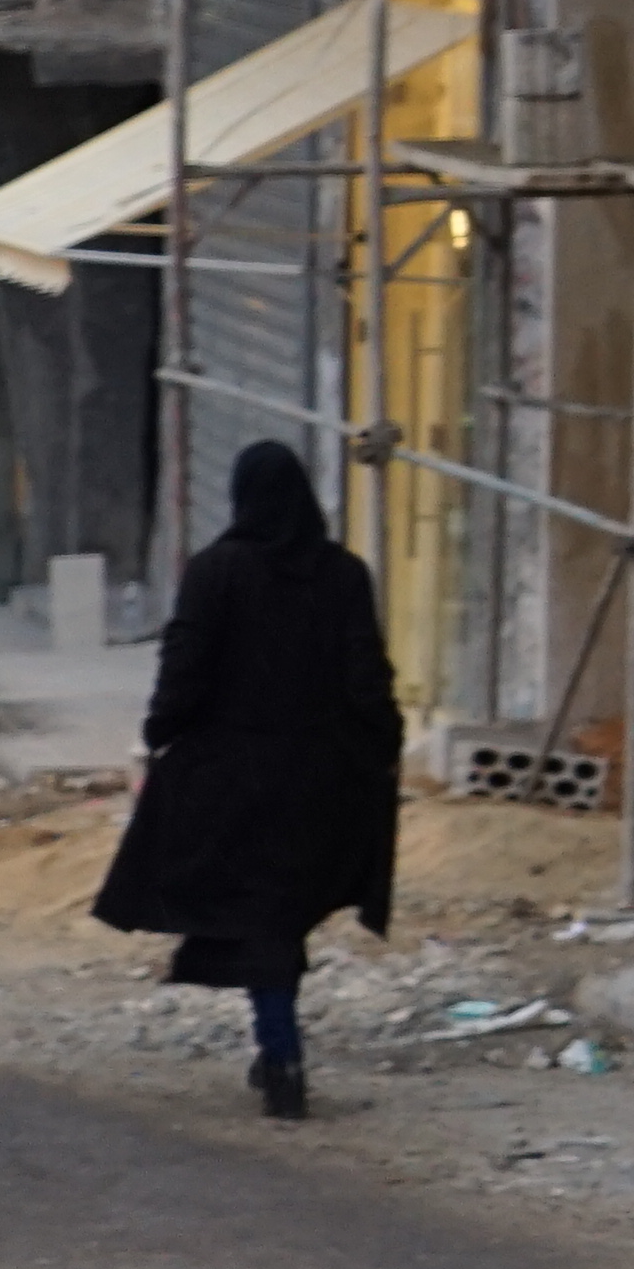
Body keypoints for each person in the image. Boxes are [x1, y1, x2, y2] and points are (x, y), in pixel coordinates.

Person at [92, 442, 402, 1117]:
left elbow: (186, 662)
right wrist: (382, 749)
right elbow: (366, 675)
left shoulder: (216, 571)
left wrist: (161, 729)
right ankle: (278, 1050)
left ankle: (282, 1053)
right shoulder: (343, 575)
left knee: (264, 922)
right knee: (280, 918)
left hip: (231, 778)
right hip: (319, 778)